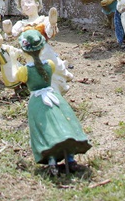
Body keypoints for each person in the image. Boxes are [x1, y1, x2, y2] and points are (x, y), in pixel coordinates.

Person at [16, 29, 91, 176]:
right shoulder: (50, 64)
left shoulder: (24, 71)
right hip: (54, 97)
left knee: (45, 129)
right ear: (42, 48)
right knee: (62, 122)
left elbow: (17, 78)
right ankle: (70, 158)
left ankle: (52, 162)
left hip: (37, 101)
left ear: (24, 52)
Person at [3, 0, 72, 94]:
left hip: (44, 50)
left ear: (37, 3)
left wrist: (52, 24)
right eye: (23, 4)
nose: (26, 5)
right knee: (35, 71)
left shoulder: (43, 20)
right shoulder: (22, 24)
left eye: (29, 2)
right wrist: (8, 32)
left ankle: (57, 86)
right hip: (30, 53)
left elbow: (49, 33)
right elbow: (13, 35)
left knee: (54, 67)